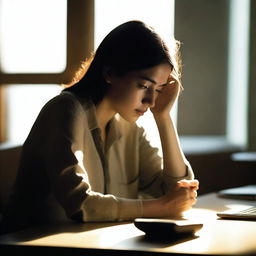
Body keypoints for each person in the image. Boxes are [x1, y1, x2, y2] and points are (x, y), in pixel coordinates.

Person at [0, 20, 199, 234]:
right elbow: (81, 205)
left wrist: (164, 118)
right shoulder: (66, 109)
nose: (150, 100)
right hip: (28, 246)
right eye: (144, 86)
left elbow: (179, 192)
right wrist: (161, 207)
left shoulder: (130, 126)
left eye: (158, 89)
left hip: (89, 246)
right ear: (109, 73)